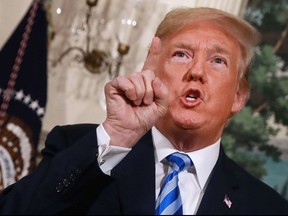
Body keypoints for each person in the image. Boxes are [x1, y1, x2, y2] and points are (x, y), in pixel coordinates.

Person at [0, 6, 287, 215]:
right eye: (181, 54)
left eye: (218, 61)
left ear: (238, 97)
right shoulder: (78, 148)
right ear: (152, 70)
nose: (196, 71)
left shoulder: (267, 207)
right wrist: (117, 134)